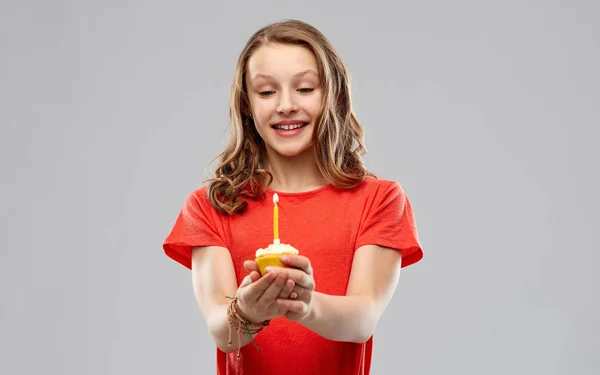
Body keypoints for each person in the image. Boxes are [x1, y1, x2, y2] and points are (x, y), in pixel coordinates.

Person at [162, 19, 424, 375]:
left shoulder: (379, 201)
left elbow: (362, 319)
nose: (286, 105)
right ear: (246, 104)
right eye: (267, 92)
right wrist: (248, 311)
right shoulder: (210, 206)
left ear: (332, 95)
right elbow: (220, 330)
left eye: (304, 89)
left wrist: (304, 305)